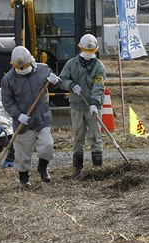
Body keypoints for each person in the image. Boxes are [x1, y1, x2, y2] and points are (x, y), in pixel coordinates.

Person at [1, 46, 59, 187]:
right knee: (22, 153)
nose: (22, 69)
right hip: (23, 123)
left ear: (30, 61)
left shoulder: (43, 70)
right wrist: (18, 115)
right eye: (18, 67)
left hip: (42, 118)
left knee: (47, 146)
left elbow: (53, 86)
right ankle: (24, 178)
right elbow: (7, 102)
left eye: (24, 66)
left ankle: (42, 168)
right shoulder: (8, 80)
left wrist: (55, 82)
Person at [59, 33, 107, 176]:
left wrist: (94, 103)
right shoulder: (71, 64)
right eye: (86, 50)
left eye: (91, 51)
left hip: (93, 107)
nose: (88, 53)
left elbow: (99, 86)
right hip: (77, 105)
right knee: (78, 135)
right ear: (80, 48)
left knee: (95, 136)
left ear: (95, 51)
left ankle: (97, 169)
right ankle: (77, 169)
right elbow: (62, 80)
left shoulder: (99, 67)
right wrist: (72, 85)